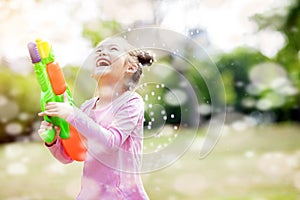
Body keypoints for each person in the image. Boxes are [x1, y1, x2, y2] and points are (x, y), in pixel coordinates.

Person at [38, 36, 153, 200]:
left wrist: (72, 113)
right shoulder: (86, 108)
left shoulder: (131, 102)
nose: (102, 53)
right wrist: (53, 141)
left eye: (113, 49)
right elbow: (71, 155)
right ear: (92, 72)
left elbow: (110, 143)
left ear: (131, 67)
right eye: (98, 50)